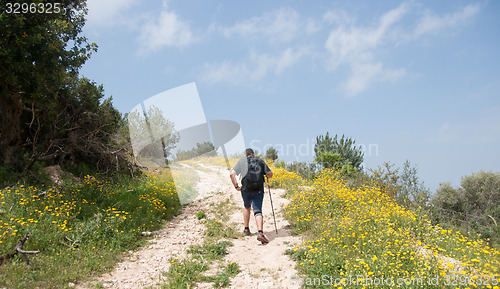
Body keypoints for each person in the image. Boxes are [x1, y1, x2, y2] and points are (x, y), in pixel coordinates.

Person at [230, 148, 273, 244]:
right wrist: (266, 174)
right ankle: (260, 233)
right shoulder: (260, 161)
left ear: (245, 155)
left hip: (245, 189)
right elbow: (270, 174)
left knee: (246, 206)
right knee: (257, 210)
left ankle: (246, 229)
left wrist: (236, 186)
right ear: (253, 154)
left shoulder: (241, 162)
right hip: (258, 190)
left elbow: (231, 174)